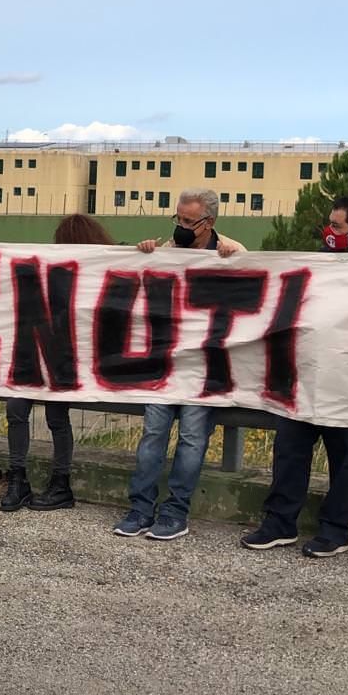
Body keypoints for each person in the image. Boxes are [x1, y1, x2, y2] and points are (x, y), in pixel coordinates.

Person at [243, 193, 348, 557]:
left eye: (336, 226)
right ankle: (279, 523)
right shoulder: (318, 264)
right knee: (289, 452)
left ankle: (335, 530)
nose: (329, 231)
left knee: (347, 460)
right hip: (306, 380)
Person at [113, 188, 242, 540]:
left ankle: (175, 512)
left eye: (189, 221)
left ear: (209, 223)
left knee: (191, 439)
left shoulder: (231, 252)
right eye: (178, 219)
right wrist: (144, 256)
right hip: (166, 364)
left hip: (205, 368)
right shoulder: (166, 251)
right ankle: (140, 508)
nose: (181, 226)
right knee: (153, 434)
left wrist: (234, 261)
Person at [1, 214, 115, 512]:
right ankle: (18, 478)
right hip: (40, 351)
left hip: (64, 357)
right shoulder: (53, 267)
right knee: (18, 407)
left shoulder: (97, 268)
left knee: (54, 416)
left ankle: (60, 482)